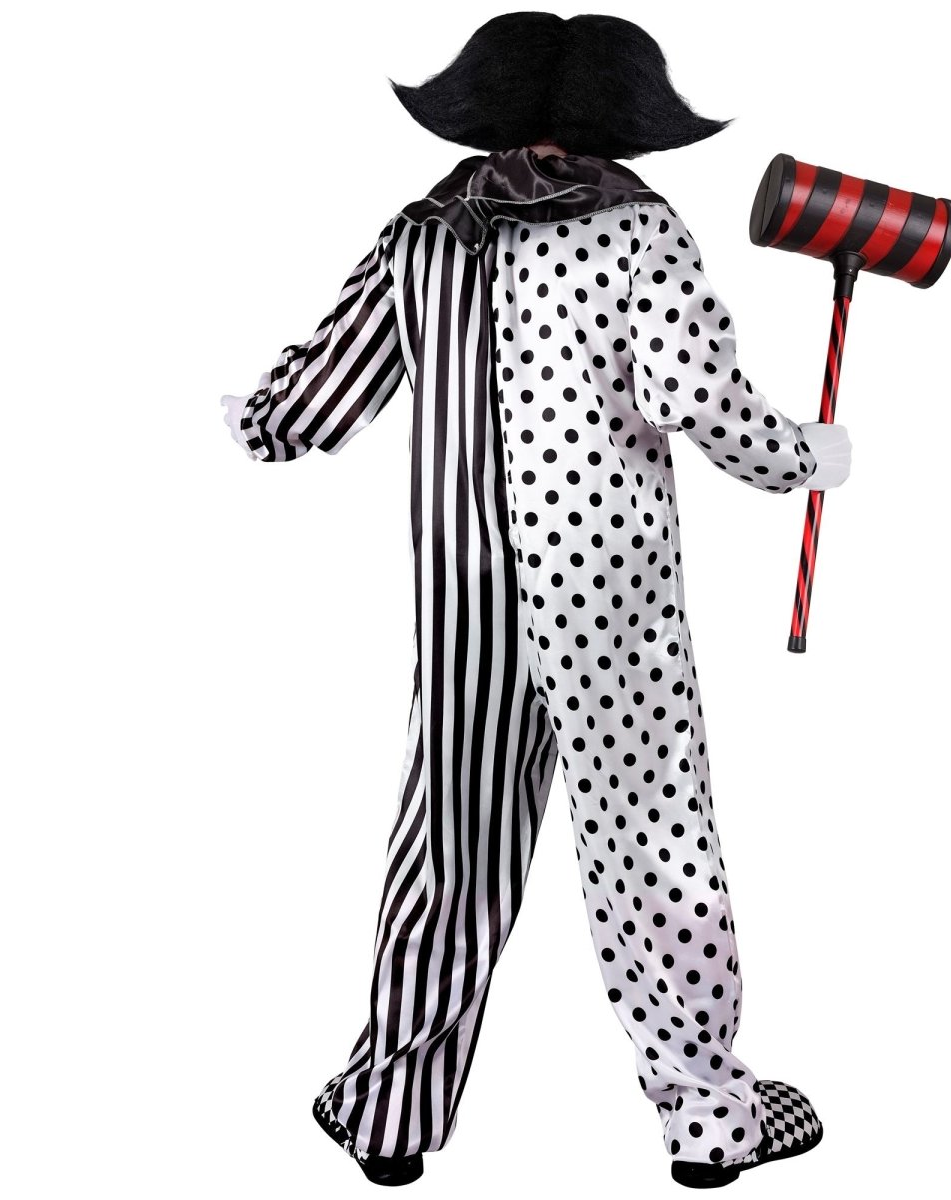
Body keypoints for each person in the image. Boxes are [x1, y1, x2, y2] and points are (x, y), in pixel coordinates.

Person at [220, 12, 850, 1189]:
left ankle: (390, 1111)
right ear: (627, 116)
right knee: (652, 839)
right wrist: (805, 457)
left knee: (449, 842)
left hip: (464, 593)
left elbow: (316, 398)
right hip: (606, 593)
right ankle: (708, 1120)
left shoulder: (424, 234)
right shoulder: (640, 230)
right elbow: (698, 402)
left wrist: (251, 419)